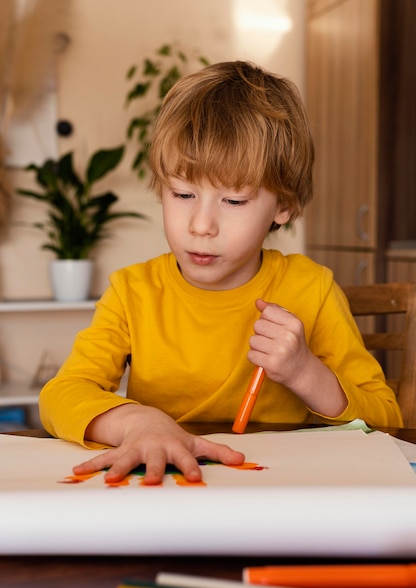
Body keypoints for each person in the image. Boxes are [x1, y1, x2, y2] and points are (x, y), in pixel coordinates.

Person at [39, 60, 403, 486]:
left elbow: (387, 418)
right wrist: (138, 423)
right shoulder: (132, 291)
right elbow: (60, 396)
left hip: (277, 493)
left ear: (282, 207)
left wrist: (307, 373)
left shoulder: (311, 288)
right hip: (169, 490)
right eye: (182, 193)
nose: (201, 225)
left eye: (233, 202)